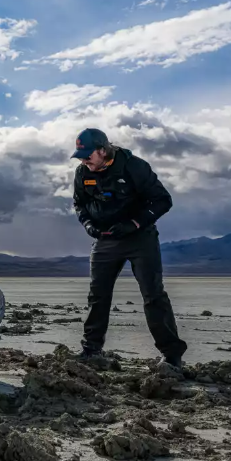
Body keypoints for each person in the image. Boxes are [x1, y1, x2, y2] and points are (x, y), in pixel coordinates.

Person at [71, 128, 187, 367]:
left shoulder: (134, 167)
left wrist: (133, 223)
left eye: (87, 154)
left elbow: (163, 200)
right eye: (80, 155)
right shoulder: (83, 173)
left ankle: (172, 356)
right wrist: (88, 224)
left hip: (139, 239)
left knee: (153, 294)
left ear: (103, 150)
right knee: (98, 296)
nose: (83, 160)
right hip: (105, 240)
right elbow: (79, 204)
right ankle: (91, 351)